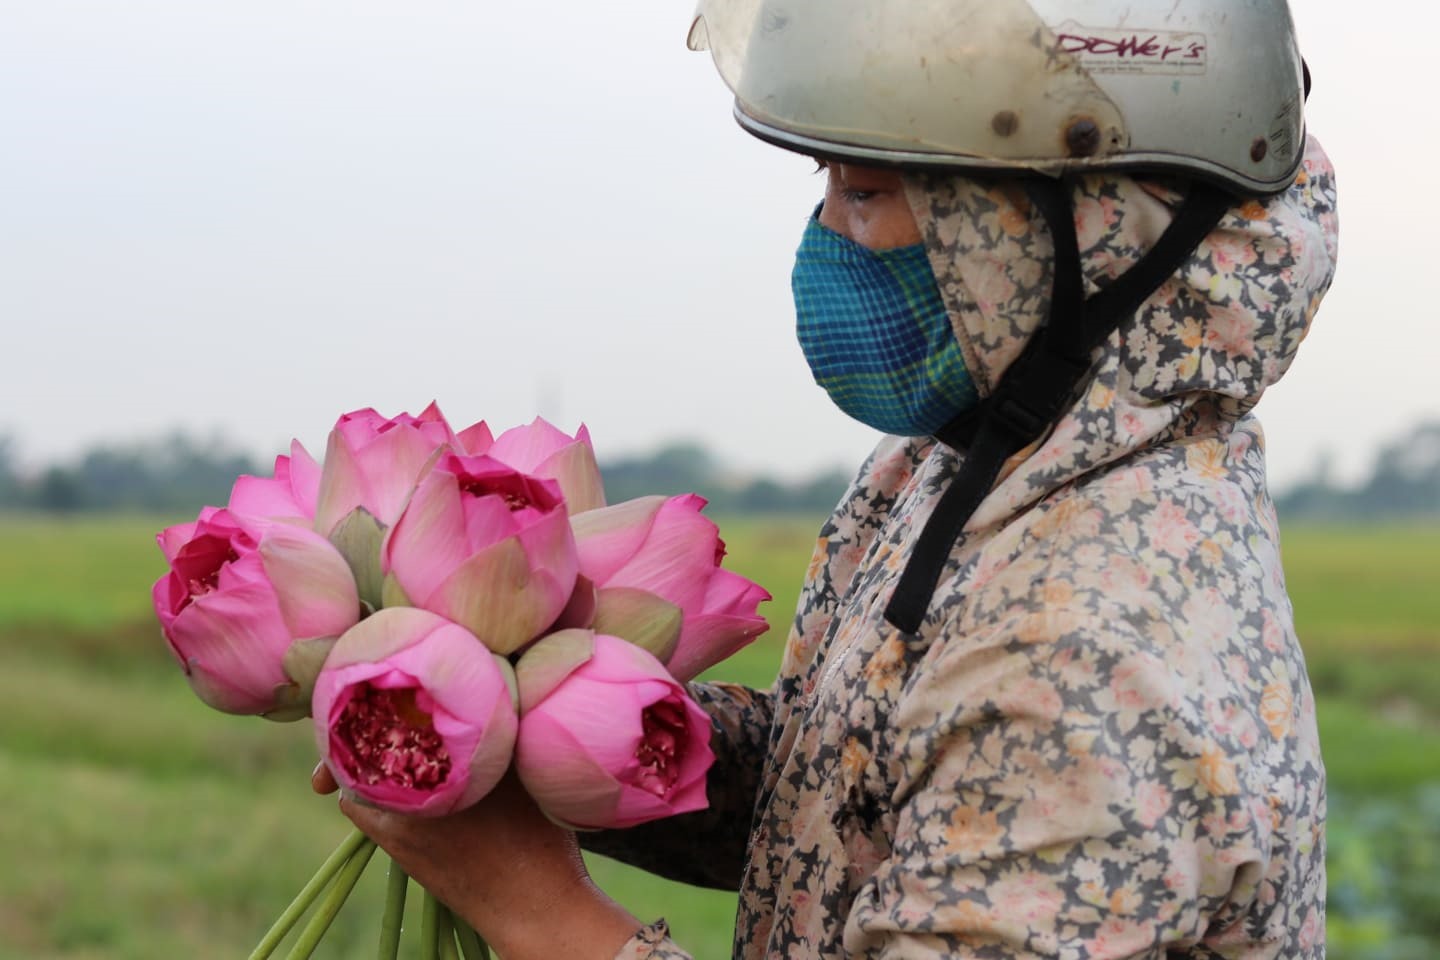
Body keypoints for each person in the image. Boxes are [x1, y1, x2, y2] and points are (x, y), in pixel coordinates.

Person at [314, 0, 1339, 956]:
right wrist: (520, 718)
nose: (828, 240)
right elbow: (857, 791)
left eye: (868, 192)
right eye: (827, 187)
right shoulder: (971, 470)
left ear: (1080, 233)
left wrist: (531, 906)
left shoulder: (1090, 661)